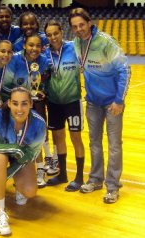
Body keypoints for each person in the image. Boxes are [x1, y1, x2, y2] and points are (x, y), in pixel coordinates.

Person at [69, 8, 130, 203]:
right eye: (75, 27)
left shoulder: (106, 42)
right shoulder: (77, 43)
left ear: (89, 23)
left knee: (114, 145)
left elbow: (124, 71)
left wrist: (119, 100)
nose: (79, 29)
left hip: (112, 103)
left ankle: (112, 186)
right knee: (94, 143)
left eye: (82, 25)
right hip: (93, 102)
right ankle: (95, 179)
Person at [0, 87, 46, 236]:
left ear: (31, 104)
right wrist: (14, 148)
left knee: (29, 192)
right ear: (9, 103)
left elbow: (31, 154)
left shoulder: (39, 124)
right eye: (15, 103)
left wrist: (8, 174)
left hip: (20, 157)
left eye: (24, 104)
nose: (19, 109)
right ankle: (0, 212)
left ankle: (18, 185)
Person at [3, 33, 57, 188]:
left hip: (36, 104)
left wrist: (42, 91)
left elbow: (45, 84)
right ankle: (17, 171)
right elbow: (7, 85)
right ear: (25, 45)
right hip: (18, 107)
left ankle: (39, 169)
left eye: (38, 46)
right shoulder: (14, 59)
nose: (34, 49)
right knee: (18, 138)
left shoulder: (44, 61)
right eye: (31, 45)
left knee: (36, 135)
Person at [43, 20, 85, 191]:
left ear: (61, 32)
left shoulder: (74, 48)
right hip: (53, 103)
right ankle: (62, 174)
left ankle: (80, 177)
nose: (53, 37)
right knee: (58, 138)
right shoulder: (44, 54)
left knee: (76, 138)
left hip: (73, 101)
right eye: (49, 35)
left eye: (56, 33)